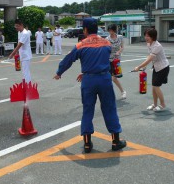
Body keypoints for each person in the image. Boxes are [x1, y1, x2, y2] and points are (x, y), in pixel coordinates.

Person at [53, 18, 126, 153]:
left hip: (88, 80)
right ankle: (116, 141)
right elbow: (107, 59)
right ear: (97, 28)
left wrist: (59, 72)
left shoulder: (81, 45)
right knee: (109, 108)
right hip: (104, 78)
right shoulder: (106, 43)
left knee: (87, 110)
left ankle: (87, 144)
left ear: (85, 30)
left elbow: (68, 60)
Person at [133, 28, 170, 112]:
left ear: (153, 37)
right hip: (156, 67)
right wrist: (144, 66)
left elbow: (150, 58)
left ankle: (163, 104)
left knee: (156, 87)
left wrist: (138, 67)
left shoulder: (157, 46)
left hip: (163, 67)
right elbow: (149, 56)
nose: (146, 37)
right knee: (154, 87)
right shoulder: (149, 44)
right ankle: (155, 104)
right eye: (145, 35)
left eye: (148, 36)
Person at [106, 24, 126, 100]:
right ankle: (121, 92)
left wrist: (119, 52)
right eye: (109, 30)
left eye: (112, 30)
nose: (110, 32)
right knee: (110, 78)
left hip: (117, 60)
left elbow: (122, 47)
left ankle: (123, 91)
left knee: (114, 78)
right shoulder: (107, 39)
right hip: (109, 60)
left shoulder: (120, 37)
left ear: (115, 30)